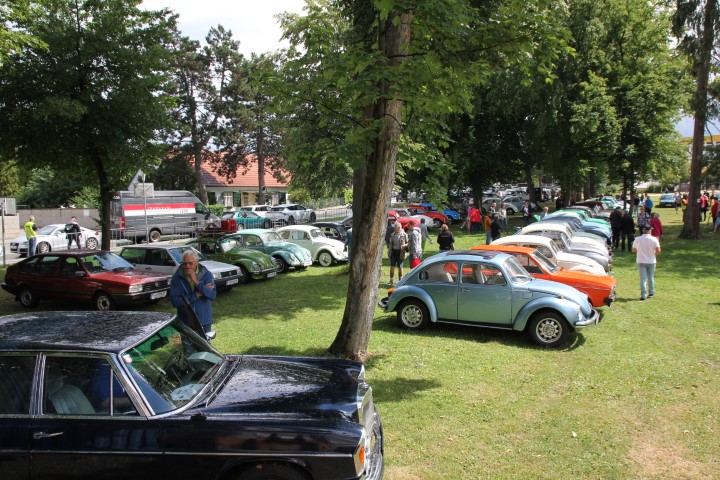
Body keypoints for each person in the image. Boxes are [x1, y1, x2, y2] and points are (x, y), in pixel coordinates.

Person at [169, 250, 217, 338]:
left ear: (197, 262)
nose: (187, 266)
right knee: (189, 351)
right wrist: (196, 295)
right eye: (185, 263)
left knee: (205, 350)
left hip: (204, 321)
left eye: (190, 263)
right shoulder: (177, 278)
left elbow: (212, 295)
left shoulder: (206, 275)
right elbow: (175, 302)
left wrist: (196, 281)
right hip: (186, 322)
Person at [632, 224, 661, 301]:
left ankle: (643, 295)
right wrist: (653, 252)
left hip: (641, 260)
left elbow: (634, 250)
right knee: (651, 277)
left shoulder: (638, 239)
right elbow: (658, 250)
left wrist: (640, 250)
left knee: (643, 278)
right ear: (649, 231)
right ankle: (651, 292)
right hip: (651, 261)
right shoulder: (654, 239)